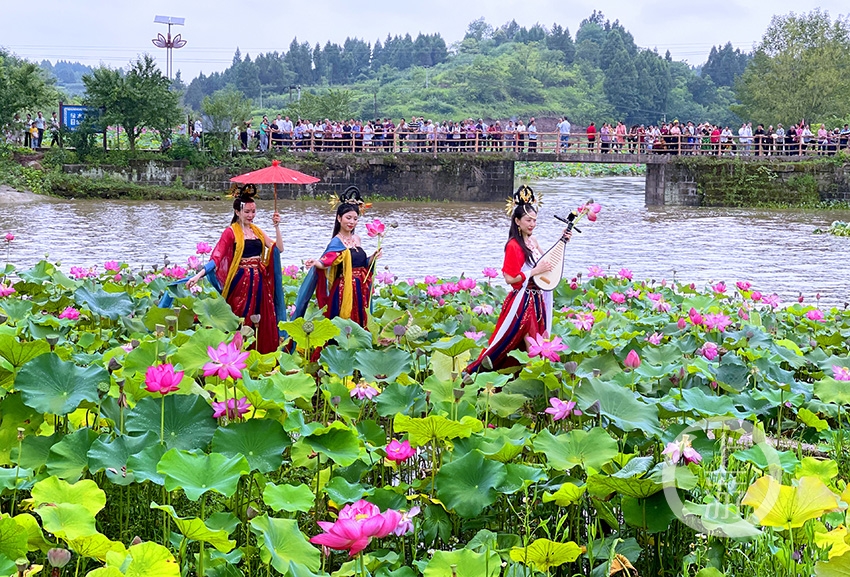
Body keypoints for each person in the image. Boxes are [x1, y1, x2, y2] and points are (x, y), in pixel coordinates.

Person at [466, 185, 571, 374]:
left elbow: (547, 264)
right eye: (528, 220)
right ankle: (530, 378)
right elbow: (509, 278)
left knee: (536, 342)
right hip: (522, 302)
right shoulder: (514, 245)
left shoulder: (533, 241)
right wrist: (533, 271)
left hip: (537, 299)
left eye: (535, 220)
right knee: (530, 343)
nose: (532, 224)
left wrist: (562, 240)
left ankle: (529, 380)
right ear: (517, 221)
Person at [186, 186, 285, 354]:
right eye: (247, 212)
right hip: (242, 281)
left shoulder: (257, 231)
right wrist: (198, 275)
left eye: (253, 212)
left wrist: (277, 226)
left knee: (262, 317)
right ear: (237, 212)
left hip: (260, 280)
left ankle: (260, 352)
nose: (251, 215)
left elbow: (278, 249)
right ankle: (233, 352)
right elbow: (216, 258)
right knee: (240, 315)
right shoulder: (230, 232)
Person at [293, 186, 381, 327]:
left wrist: (373, 257)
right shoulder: (336, 241)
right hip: (343, 288)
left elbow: (363, 263)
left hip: (360, 287)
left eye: (355, 219)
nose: (351, 222)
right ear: (339, 218)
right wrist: (316, 262)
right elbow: (327, 262)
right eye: (348, 218)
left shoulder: (357, 238)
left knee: (360, 321)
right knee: (343, 324)